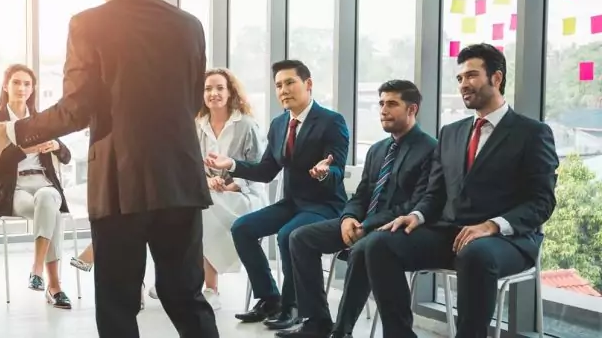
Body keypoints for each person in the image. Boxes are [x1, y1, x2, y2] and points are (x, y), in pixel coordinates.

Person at [0, 0, 219, 338]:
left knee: (118, 302)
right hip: (180, 181)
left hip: (122, 184)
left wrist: (14, 131)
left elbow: (76, 108)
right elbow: (193, 101)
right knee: (186, 296)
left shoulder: (89, 23)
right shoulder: (189, 24)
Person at [363, 44, 558, 338]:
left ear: (496, 78)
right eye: (459, 78)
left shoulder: (532, 133)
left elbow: (542, 201)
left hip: (508, 240)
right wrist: (416, 214)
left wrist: (492, 225)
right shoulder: (451, 132)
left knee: (475, 254)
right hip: (449, 233)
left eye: (471, 75)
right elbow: (435, 192)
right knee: (378, 244)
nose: (463, 84)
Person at [277, 80, 436, 338]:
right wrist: (349, 217)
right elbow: (362, 194)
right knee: (300, 237)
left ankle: (342, 331)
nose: (383, 110)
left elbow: (417, 203)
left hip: (397, 229)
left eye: (392, 104)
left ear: (412, 109)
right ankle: (317, 321)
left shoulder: (430, 149)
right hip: (362, 223)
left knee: (365, 247)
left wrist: (367, 226)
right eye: (382, 103)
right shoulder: (377, 149)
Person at [205, 59, 349, 330]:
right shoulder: (280, 123)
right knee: (243, 228)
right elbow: (267, 171)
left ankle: (293, 307)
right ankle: (270, 299)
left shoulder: (331, 121)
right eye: (279, 85)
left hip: (325, 205)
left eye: (290, 82)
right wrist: (232, 165)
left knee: (288, 235)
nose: (284, 89)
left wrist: (325, 172)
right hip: (292, 203)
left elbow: (338, 169)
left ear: (308, 84)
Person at [147, 68, 267, 309]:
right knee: (181, 210)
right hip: (209, 193)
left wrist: (232, 185)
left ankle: (207, 287)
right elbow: (190, 166)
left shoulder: (245, 125)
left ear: (230, 91)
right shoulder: (197, 125)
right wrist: (206, 181)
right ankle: (182, 281)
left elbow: (259, 169)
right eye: (208, 89)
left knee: (200, 211)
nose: (214, 93)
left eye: (219, 88)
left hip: (244, 196)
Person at [0, 64, 73, 309]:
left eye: (27, 84)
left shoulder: (41, 120)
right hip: (14, 189)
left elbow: (67, 157)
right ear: (6, 86)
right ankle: (55, 287)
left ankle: (37, 268)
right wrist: (22, 151)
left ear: (32, 89)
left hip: (44, 182)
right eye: (16, 82)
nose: (22, 88)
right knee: (52, 212)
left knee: (47, 198)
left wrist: (56, 144)